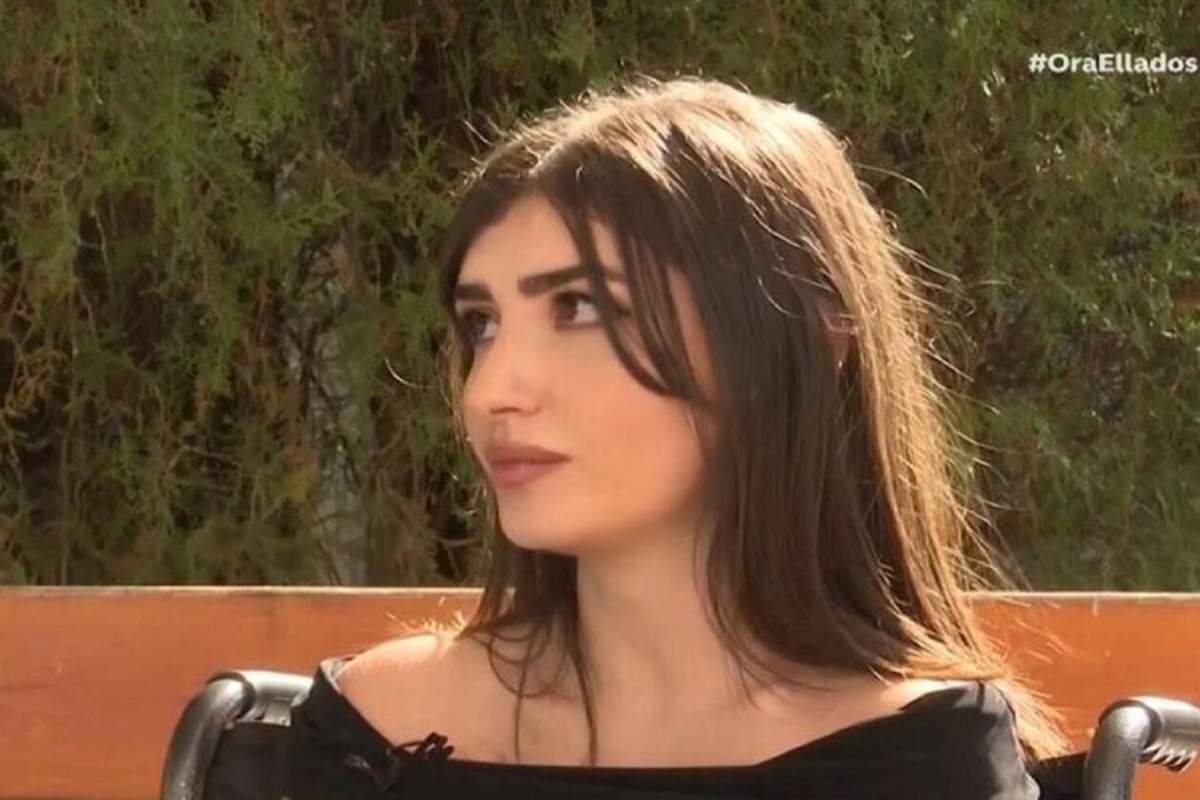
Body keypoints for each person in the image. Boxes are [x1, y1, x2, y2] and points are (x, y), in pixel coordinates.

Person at [280, 76, 1070, 799]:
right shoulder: (374, 731)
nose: (490, 391)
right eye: (481, 324)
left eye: (579, 308)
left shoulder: (919, 762)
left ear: (796, 341)